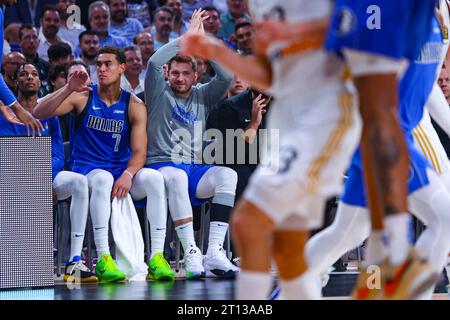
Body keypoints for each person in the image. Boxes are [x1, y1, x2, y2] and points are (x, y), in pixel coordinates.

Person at [181, 2, 361, 297]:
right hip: (246, 171)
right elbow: (220, 154)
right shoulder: (228, 108)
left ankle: (310, 268)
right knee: (245, 190)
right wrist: (252, 126)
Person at [34, 46, 169, 282]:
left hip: (119, 172)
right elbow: (39, 112)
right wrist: (67, 88)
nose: (102, 69)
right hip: (86, 171)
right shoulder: (83, 95)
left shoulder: (134, 104)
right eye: (99, 65)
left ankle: (157, 257)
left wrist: (129, 173)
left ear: (122, 68)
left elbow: (139, 152)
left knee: (155, 179)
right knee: (103, 179)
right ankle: (104, 258)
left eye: (108, 64)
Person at [145, 10, 239, 279]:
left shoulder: (203, 96)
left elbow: (225, 77)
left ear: (196, 76)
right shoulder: (158, 90)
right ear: (168, 73)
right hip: (162, 165)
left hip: (195, 169)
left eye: (187, 73)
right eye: (175, 73)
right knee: (174, 176)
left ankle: (214, 253)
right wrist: (186, 38)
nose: (180, 78)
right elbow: (152, 63)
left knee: (227, 175)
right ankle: (191, 252)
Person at [0, 62, 97, 282]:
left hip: (46, 176)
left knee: (79, 182)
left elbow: (58, 157)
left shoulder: (50, 115)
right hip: (11, 179)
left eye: (34, 74)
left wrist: (41, 179)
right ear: (14, 82)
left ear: (41, 82)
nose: (29, 77)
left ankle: (74, 261)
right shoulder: (3, 113)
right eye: (23, 74)